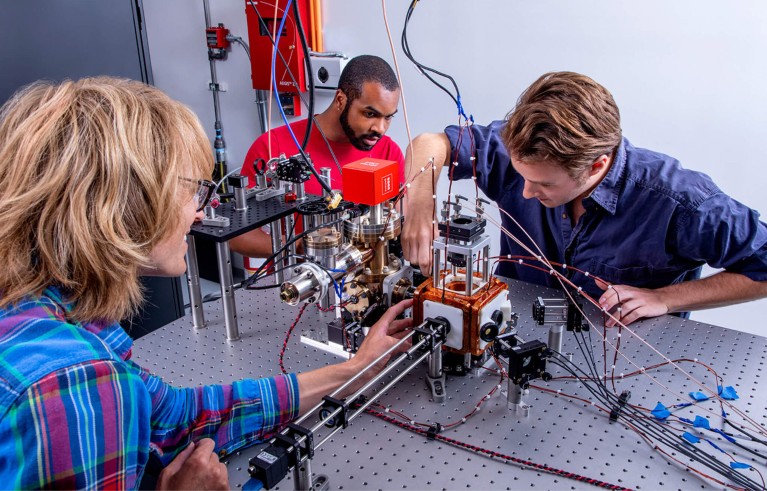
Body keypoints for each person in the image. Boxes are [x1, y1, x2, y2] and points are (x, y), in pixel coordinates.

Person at [0, 77, 413, 489]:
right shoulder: (78, 387)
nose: (201, 214)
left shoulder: (63, 316)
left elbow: (178, 417)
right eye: (192, 191)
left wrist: (355, 371)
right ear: (124, 205)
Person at [401, 71, 767, 327]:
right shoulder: (523, 151)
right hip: (513, 337)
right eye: (522, 175)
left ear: (596, 165)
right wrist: (420, 203)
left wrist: (667, 298)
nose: (525, 191)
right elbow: (430, 144)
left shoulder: (678, 202)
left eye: (542, 183)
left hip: (622, 363)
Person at [230, 54, 405, 257]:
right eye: (369, 114)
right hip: (298, 279)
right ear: (341, 99)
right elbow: (238, 237)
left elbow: (400, 220)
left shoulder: (388, 152)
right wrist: (302, 248)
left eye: (388, 117)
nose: (380, 129)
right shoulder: (274, 147)